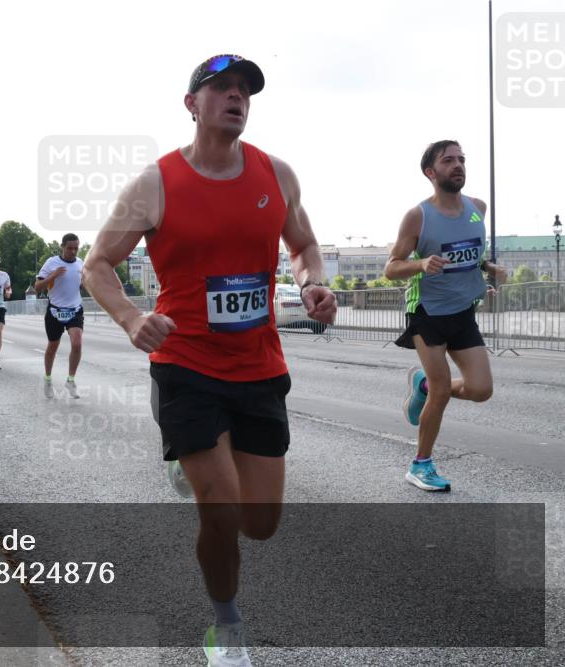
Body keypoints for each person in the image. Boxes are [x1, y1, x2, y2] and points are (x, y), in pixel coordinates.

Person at [84, 54, 336, 667]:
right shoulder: (155, 184)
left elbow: (304, 244)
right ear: (191, 104)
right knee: (219, 508)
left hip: (259, 365)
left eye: (244, 89)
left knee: (261, 523)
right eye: (221, 87)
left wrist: (312, 283)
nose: (236, 97)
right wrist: (133, 318)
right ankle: (226, 625)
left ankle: (189, 466)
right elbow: (98, 265)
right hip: (186, 363)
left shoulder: (277, 175)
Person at [385, 140, 507, 493]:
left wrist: (488, 268)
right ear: (430, 172)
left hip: (463, 311)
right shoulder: (418, 216)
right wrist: (421, 263)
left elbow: (469, 254)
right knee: (441, 391)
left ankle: (422, 385)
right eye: (448, 160)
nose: (458, 165)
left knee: (481, 389)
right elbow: (391, 268)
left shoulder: (478, 208)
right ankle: (420, 465)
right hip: (428, 312)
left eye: (461, 159)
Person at [35, 233, 85, 398]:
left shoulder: (80, 263)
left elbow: (83, 284)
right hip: (55, 310)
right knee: (53, 346)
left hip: (75, 309)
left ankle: (71, 381)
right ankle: (48, 380)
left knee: (77, 343)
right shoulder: (51, 263)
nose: (73, 251)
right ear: (62, 247)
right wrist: (52, 276)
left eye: (76, 248)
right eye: (70, 248)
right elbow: (37, 287)